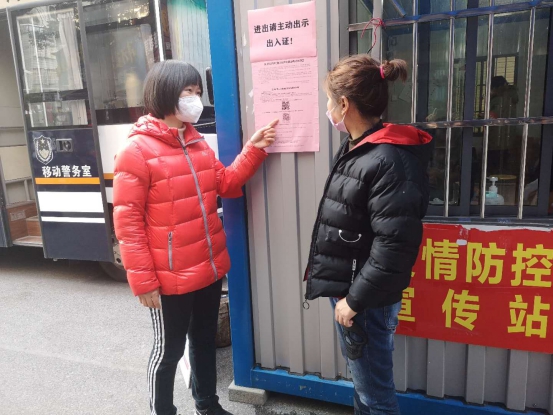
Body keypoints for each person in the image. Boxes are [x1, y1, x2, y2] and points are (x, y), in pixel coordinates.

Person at [113, 60, 277, 415]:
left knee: (203, 342)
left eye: (198, 92)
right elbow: (128, 224)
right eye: (187, 91)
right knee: (168, 351)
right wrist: (143, 282)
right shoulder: (136, 150)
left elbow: (226, 184)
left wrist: (254, 148)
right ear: (165, 93)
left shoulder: (197, 143)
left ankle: (207, 405)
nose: (195, 99)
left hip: (207, 268)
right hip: (168, 278)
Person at [304, 55, 432, 415]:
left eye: (330, 101)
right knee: (364, 389)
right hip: (354, 294)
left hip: (365, 302)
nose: (328, 109)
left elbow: (395, 245)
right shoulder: (360, 147)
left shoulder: (388, 159)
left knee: (376, 397)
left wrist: (354, 301)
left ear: (345, 105)